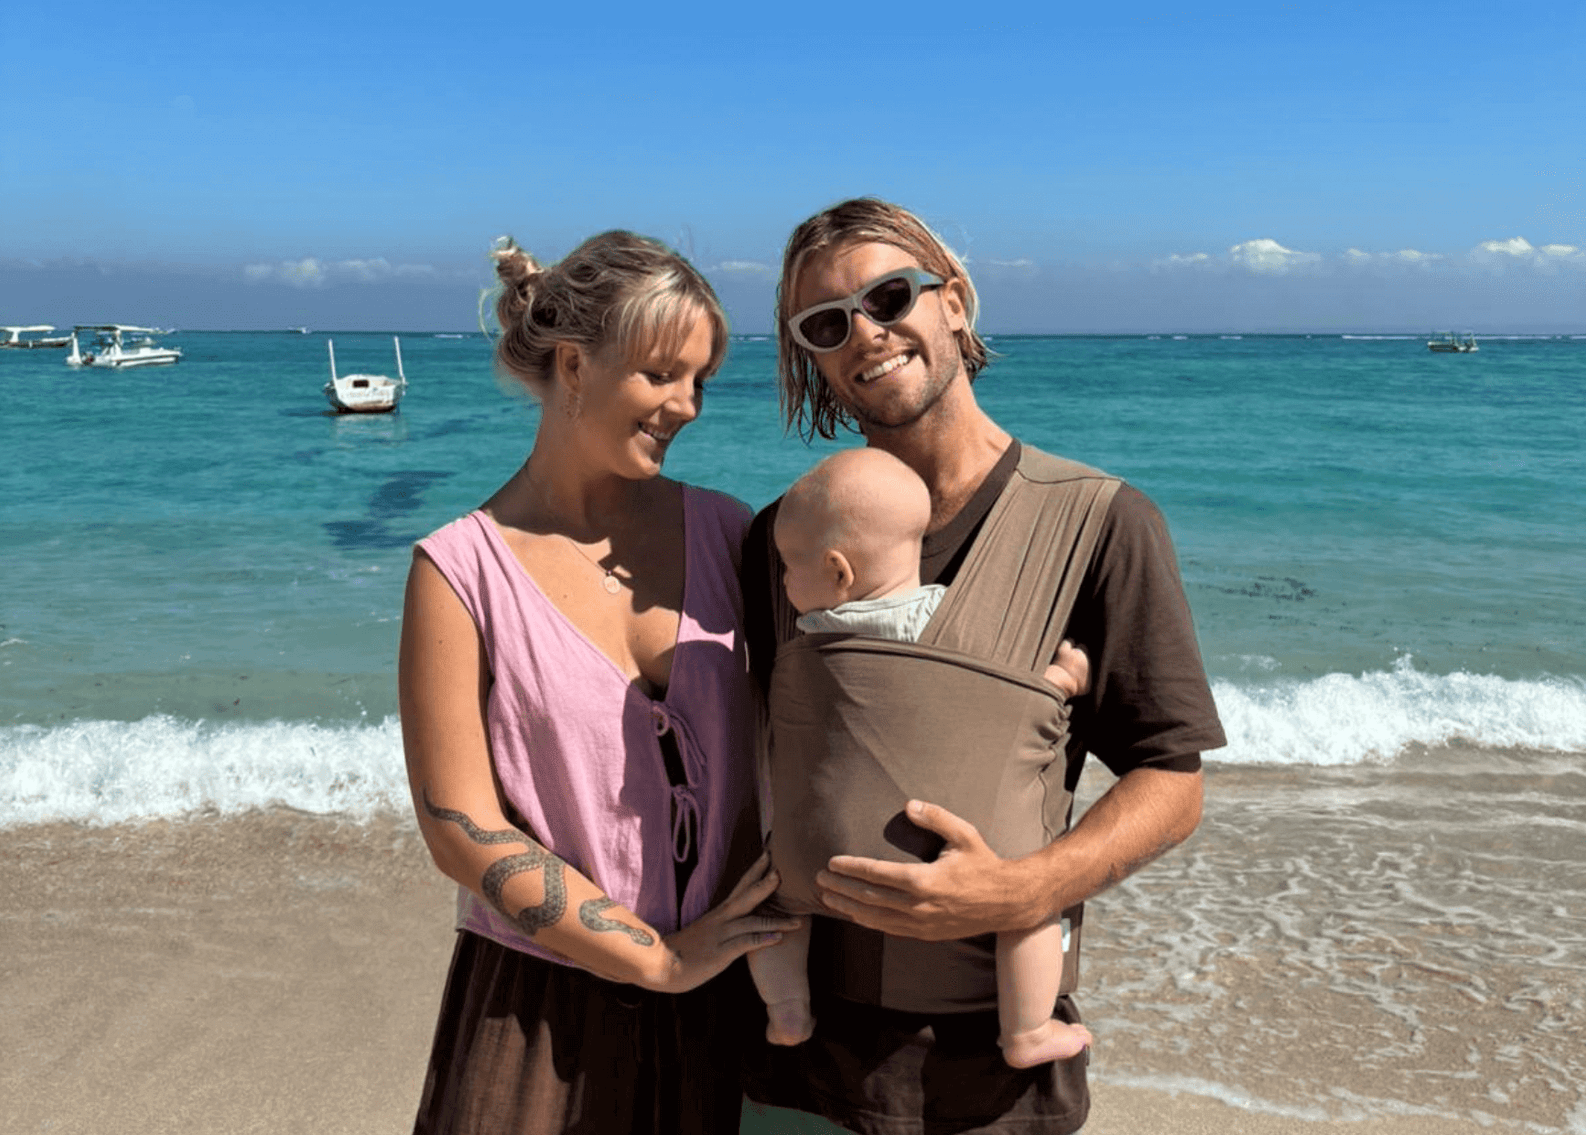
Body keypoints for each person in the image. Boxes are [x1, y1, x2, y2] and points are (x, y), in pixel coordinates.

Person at [739, 199, 1228, 1133]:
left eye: (890, 297)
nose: (866, 335)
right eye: (826, 324)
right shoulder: (786, 540)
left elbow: (1173, 779)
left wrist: (1026, 890)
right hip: (796, 1057)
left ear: (953, 303)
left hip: (989, 1078)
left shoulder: (1101, 524)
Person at [398, 231, 796, 1134]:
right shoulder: (459, 572)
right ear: (574, 365)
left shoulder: (732, 535)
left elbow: (839, 677)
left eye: (702, 380)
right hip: (541, 1009)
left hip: (736, 989)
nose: (688, 405)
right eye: (662, 374)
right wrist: (655, 959)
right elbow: (459, 828)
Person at [750, 446, 1096, 1069]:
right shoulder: (965, 630)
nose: (781, 582)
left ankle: (788, 1011)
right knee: (1030, 909)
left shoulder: (811, 634)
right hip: (968, 857)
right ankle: (1027, 1032)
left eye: (787, 567)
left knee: (774, 906)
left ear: (838, 574)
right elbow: (1012, 701)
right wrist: (1063, 681)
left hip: (815, 857)